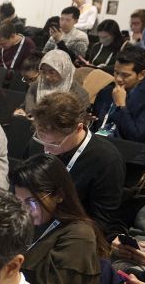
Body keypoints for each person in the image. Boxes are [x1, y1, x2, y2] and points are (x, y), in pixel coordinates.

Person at [10, 153, 104, 284]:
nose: (26, 211)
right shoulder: (29, 223)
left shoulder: (79, 235)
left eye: (32, 202)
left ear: (59, 195)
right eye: (19, 201)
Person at [32, 91, 125, 239]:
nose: (46, 149)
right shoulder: (40, 142)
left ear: (78, 129)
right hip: (31, 221)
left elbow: (101, 221)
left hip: (71, 235)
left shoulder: (106, 159)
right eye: (41, 140)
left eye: (55, 143)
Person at [91, 46, 145, 142]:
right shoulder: (106, 91)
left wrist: (121, 106)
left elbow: (135, 136)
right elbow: (96, 124)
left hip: (124, 149)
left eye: (125, 75)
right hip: (97, 141)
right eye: (116, 72)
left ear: (141, 74)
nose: (118, 79)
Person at [21, 50, 89, 116]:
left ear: (64, 70)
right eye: (44, 72)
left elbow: (79, 116)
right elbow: (29, 110)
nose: (47, 76)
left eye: (52, 72)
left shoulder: (77, 91)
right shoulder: (35, 86)